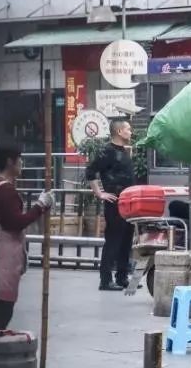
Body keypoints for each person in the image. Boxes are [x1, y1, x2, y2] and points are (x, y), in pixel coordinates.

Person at [0, 147, 53, 329]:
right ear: (10, 161)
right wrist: (40, 206)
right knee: (1, 310)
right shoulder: (5, 191)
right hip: (0, 256)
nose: (22, 163)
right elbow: (15, 222)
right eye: (20, 159)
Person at [85, 119, 136, 291]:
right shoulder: (107, 151)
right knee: (113, 240)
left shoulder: (124, 151)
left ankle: (122, 277)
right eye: (129, 129)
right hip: (114, 202)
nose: (131, 132)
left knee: (126, 239)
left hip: (128, 203)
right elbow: (90, 171)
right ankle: (105, 280)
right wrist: (99, 193)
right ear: (120, 132)